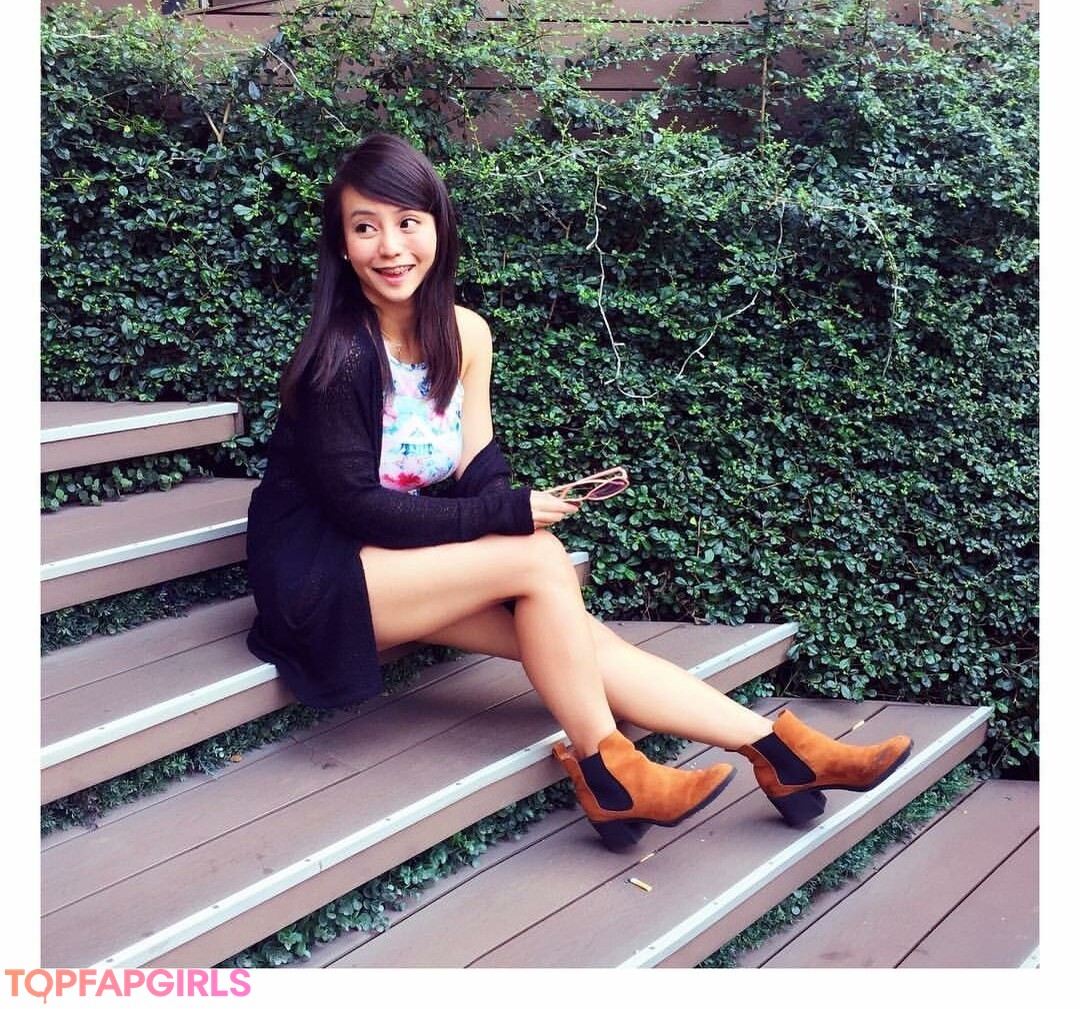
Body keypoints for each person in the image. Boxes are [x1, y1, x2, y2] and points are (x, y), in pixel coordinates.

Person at [245, 133, 912, 852]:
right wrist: (506, 520)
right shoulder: (341, 354)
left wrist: (508, 511)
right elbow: (356, 507)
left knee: (576, 633)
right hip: (320, 574)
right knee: (539, 563)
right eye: (364, 227)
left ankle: (781, 753)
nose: (390, 246)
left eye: (408, 222)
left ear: (438, 227)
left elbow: (479, 468)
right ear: (342, 246)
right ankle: (610, 773)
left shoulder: (465, 334)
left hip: (404, 563)